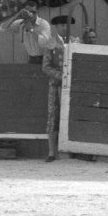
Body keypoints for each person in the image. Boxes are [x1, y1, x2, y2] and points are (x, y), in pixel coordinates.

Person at [42, 14, 77, 162]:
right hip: (56, 85)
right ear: (57, 27)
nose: (65, 28)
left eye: (67, 25)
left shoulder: (76, 41)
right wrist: (62, 76)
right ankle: (51, 152)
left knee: (73, 116)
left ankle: (73, 151)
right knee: (53, 117)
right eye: (62, 25)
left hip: (74, 85)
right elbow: (46, 67)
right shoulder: (50, 43)